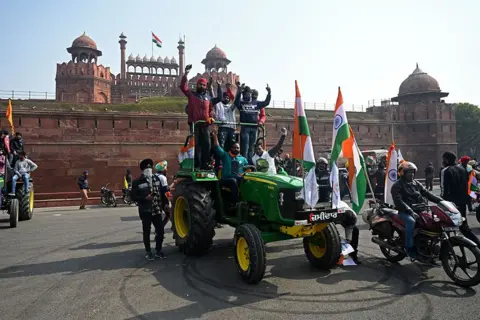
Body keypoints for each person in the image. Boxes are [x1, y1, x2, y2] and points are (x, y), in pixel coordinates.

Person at [391, 161, 443, 261]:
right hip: (405, 212)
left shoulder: (416, 183)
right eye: (409, 172)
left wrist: (442, 201)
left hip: (419, 210)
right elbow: (398, 200)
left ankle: (427, 245)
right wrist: (409, 210)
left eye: (413, 172)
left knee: (432, 222)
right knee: (411, 221)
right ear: (403, 173)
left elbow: (427, 194)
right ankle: (409, 247)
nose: (412, 175)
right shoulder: (397, 185)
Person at [179, 64, 221, 169]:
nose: (202, 86)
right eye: (200, 84)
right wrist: (186, 74)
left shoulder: (208, 97)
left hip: (205, 124)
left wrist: (219, 86)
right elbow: (183, 87)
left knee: (206, 144)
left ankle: (204, 164)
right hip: (195, 123)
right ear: (197, 85)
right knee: (196, 145)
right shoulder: (192, 95)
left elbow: (216, 102)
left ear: (206, 86)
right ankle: (197, 164)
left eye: (203, 85)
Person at [131, 158, 167, 261]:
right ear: (142, 170)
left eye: (150, 167)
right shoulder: (137, 182)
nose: (149, 169)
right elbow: (133, 196)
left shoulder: (157, 179)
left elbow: (162, 194)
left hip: (156, 210)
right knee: (146, 232)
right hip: (145, 210)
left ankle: (158, 250)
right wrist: (144, 198)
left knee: (160, 231)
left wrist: (165, 204)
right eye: (146, 167)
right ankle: (148, 252)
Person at [441, 152, 480, 245]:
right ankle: (477, 244)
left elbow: (444, 190)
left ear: (446, 159)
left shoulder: (446, 171)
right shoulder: (463, 169)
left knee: (443, 227)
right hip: (462, 202)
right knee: (464, 227)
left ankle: (446, 251)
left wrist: (443, 203)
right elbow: (467, 185)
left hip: (451, 204)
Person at [234, 82, 271, 161]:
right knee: (245, 147)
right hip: (245, 127)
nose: (246, 95)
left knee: (252, 147)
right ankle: (244, 163)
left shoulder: (256, 103)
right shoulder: (241, 103)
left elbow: (266, 103)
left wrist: (269, 93)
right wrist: (239, 91)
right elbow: (236, 102)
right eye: (245, 93)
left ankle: (250, 164)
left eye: (248, 93)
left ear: (250, 94)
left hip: (254, 128)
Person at [211, 131, 248, 203]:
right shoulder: (225, 155)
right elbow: (217, 147)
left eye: (238, 148)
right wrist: (215, 136)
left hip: (239, 179)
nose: (236, 149)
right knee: (233, 180)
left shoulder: (243, 159)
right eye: (234, 148)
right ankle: (236, 203)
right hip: (226, 180)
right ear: (231, 148)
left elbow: (248, 169)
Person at [214, 82, 237, 166]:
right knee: (221, 146)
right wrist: (219, 86)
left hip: (231, 128)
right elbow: (214, 96)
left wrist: (239, 90)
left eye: (228, 97)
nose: (226, 98)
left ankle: (231, 162)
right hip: (223, 127)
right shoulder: (218, 105)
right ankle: (219, 163)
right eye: (225, 97)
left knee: (231, 146)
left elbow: (237, 100)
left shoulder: (231, 107)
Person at [155, 160, 172, 228]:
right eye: (166, 168)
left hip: (155, 198)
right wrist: (173, 184)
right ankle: (160, 229)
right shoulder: (163, 177)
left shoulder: (154, 176)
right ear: (163, 169)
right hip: (163, 199)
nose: (166, 169)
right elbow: (166, 190)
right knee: (168, 214)